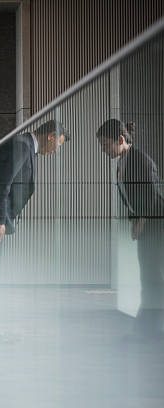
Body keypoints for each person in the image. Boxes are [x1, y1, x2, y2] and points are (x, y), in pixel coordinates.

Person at [0, 119, 69, 341]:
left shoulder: (24, 146)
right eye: (57, 144)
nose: (55, 150)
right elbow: (1, 183)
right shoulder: (21, 145)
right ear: (50, 136)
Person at [96, 119, 164, 339]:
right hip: (146, 226)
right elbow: (130, 197)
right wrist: (134, 220)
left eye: (106, 144)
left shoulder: (140, 159)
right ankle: (147, 325)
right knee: (149, 275)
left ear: (121, 139)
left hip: (156, 225)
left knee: (152, 276)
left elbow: (152, 193)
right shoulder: (123, 162)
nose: (104, 150)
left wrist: (142, 221)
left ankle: (147, 326)